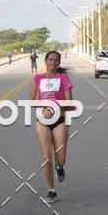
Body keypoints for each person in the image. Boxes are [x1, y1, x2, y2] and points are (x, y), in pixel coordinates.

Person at [29, 50, 73, 203]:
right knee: (46, 156)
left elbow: (69, 102)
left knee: (60, 158)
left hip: (59, 120)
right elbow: (31, 101)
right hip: (42, 120)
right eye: (50, 59)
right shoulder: (37, 78)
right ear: (45, 61)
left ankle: (59, 167)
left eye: (56, 60)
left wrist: (54, 108)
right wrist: (43, 108)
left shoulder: (63, 78)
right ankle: (51, 190)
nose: (53, 62)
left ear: (59, 63)